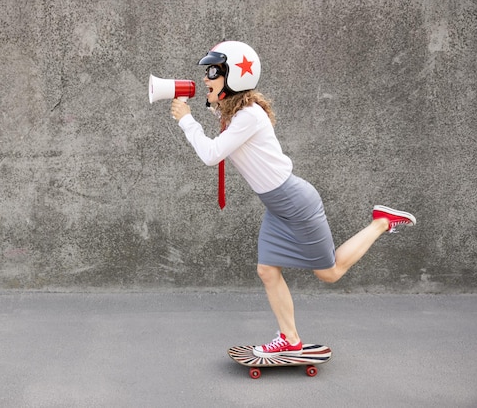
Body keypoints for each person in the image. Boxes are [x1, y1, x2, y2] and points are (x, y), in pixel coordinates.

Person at [170, 41, 416, 357]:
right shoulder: (237, 110)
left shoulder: (248, 116)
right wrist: (202, 101)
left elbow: (210, 154)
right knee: (267, 271)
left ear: (235, 79)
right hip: (277, 205)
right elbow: (218, 115)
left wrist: (185, 119)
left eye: (214, 71)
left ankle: (382, 222)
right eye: (207, 71)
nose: (206, 78)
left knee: (330, 273)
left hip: (296, 202)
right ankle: (290, 338)